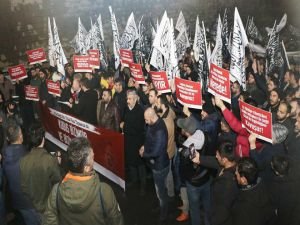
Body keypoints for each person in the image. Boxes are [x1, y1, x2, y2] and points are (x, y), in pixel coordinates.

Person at [43, 137, 124, 225]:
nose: (94, 160)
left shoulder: (56, 191)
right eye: (93, 157)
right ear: (86, 168)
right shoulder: (104, 191)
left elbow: (49, 220)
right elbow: (116, 221)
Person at [20, 123, 61, 219]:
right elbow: (58, 182)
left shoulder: (23, 160)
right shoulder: (49, 160)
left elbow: (24, 187)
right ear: (43, 139)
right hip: (48, 207)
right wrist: (57, 163)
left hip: (33, 207)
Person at [192, 141, 239, 225]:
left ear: (224, 159)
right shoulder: (231, 162)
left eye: (218, 155)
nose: (216, 157)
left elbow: (223, 211)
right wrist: (199, 159)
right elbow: (215, 162)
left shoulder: (227, 185)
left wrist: (213, 222)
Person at [176, 116, 211, 225]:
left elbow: (183, 171)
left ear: (185, 132)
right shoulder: (205, 135)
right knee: (207, 206)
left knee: (194, 210)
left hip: (193, 184)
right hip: (206, 178)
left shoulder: (185, 150)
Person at [2, 122, 40, 225]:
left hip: (17, 200)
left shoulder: (4, 155)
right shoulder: (27, 157)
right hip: (30, 201)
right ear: (20, 136)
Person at [139, 107, 169, 225]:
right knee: (159, 189)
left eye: (146, 120)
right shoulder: (153, 124)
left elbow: (157, 151)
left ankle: (164, 214)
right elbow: (148, 139)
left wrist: (144, 153)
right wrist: (144, 146)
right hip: (155, 164)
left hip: (160, 166)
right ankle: (161, 205)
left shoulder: (160, 129)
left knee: (161, 192)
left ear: (152, 118)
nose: (145, 122)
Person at [231, 158, 276, 225]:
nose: (235, 173)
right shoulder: (264, 185)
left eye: (237, 173)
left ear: (244, 180)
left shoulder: (242, 206)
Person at [121, 89, 146, 192]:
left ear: (135, 99)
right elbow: (124, 119)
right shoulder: (126, 108)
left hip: (137, 142)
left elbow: (138, 128)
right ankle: (134, 181)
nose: (128, 101)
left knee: (140, 165)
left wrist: (125, 126)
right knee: (131, 163)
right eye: (127, 98)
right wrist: (122, 123)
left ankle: (143, 186)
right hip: (128, 142)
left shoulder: (140, 111)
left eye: (130, 99)